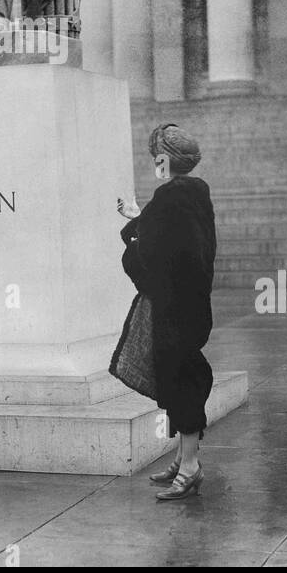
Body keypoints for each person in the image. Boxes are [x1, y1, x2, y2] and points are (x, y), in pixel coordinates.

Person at [115, 125, 216, 502]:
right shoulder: (195, 192)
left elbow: (150, 258)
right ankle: (183, 457)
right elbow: (181, 243)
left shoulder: (168, 198)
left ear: (164, 160)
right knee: (181, 377)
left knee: (180, 381)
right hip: (192, 306)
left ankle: (190, 467)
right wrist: (142, 217)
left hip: (171, 308)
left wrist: (133, 235)